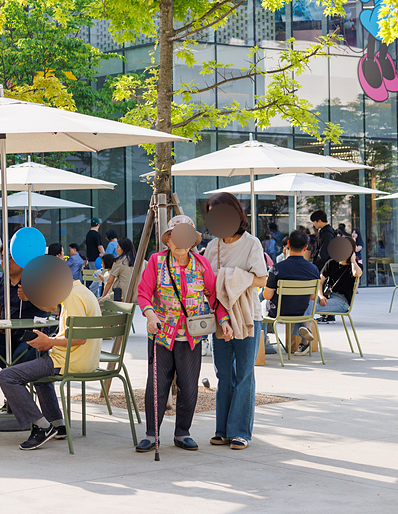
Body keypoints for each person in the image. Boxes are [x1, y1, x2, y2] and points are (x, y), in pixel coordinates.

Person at [135, 215, 232, 453]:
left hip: (191, 336)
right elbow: (144, 294)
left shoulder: (201, 264)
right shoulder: (156, 262)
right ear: (168, 240)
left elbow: (213, 297)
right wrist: (150, 316)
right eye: (175, 237)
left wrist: (224, 321)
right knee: (157, 385)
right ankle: (151, 434)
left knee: (189, 386)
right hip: (161, 334)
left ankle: (182, 432)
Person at [0, 274, 103, 450]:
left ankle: (42, 426)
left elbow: (79, 339)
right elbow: (71, 330)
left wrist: (50, 342)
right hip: (85, 359)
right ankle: (57, 423)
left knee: (7, 376)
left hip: (70, 361)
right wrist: (50, 341)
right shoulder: (82, 291)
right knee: (39, 372)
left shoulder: (72, 297)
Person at [203, 193, 268, 451]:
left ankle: (240, 432)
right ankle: (222, 430)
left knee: (244, 375)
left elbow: (261, 280)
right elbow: (207, 284)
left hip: (248, 317)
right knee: (223, 374)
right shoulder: (212, 246)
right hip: (221, 318)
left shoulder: (252, 243)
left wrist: (229, 278)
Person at [0, 256, 49, 370]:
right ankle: (12, 372)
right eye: (3, 257)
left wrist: (30, 297)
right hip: (7, 335)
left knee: (21, 354)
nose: (6, 262)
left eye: (11, 258)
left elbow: (52, 307)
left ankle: (11, 374)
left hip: (31, 334)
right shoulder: (0, 282)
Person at [263, 231, 320, 354]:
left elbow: (267, 296)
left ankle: (263, 344)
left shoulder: (277, 268)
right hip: (301, 312)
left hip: (279, 312)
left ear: (288, 244)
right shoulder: (313, 269)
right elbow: (312, 296)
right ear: (306, 247)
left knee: (258, 307)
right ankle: (304, 339)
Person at [315, 237, 362, 322]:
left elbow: (356, 274)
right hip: (327, 296)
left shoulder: (355, 267)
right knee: (306, 303)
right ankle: (303, 328)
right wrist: (321, 296)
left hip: (342, 301)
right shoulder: (331, 263)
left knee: (312, 306)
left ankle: (304, 328)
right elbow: (319, 282)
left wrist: (353, 261)